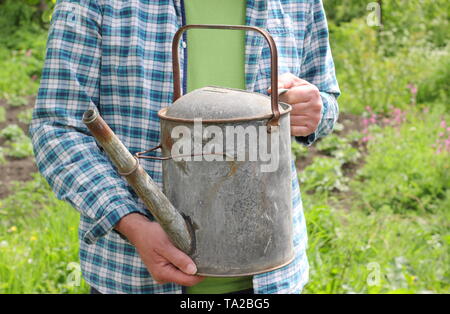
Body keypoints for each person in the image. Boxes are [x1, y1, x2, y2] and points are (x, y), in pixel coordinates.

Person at [30, 0, 339, 294]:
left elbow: (324, 100)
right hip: (133, 274)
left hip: (273, 275)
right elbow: (57, 126)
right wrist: (131, 223)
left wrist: (317, 109)